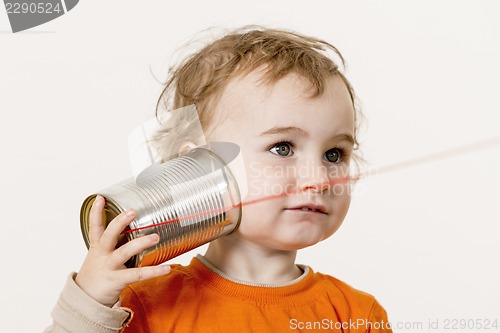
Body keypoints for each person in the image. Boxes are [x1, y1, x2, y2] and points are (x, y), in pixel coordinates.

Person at [45, 26, 393, 333]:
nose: (318, 179)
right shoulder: (139, 304)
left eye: (334, 154)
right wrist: (89, 304)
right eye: (283, 147)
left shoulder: (356, 315)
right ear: (200, 164)